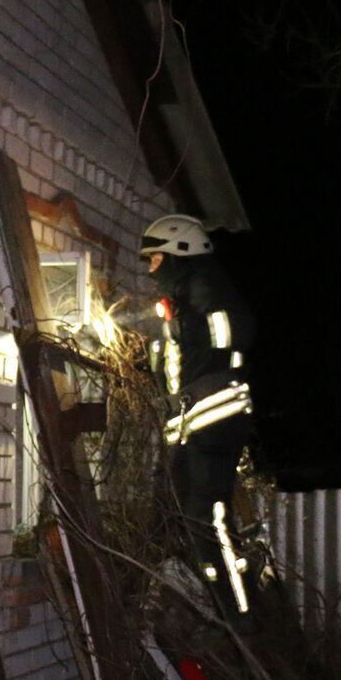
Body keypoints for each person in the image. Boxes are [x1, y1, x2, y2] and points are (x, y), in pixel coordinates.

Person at [140, 214, 256, 619]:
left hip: (214, 416)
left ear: (179, 253)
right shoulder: (181, 300)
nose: (151, 268)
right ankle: (222, 601)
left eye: (155, 259)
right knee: (189, 514)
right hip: (195, 421)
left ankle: (239, 613)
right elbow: (174, 363)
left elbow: (227, 336)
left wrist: (182, 324)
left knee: (207, 516)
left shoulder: (204, 287)